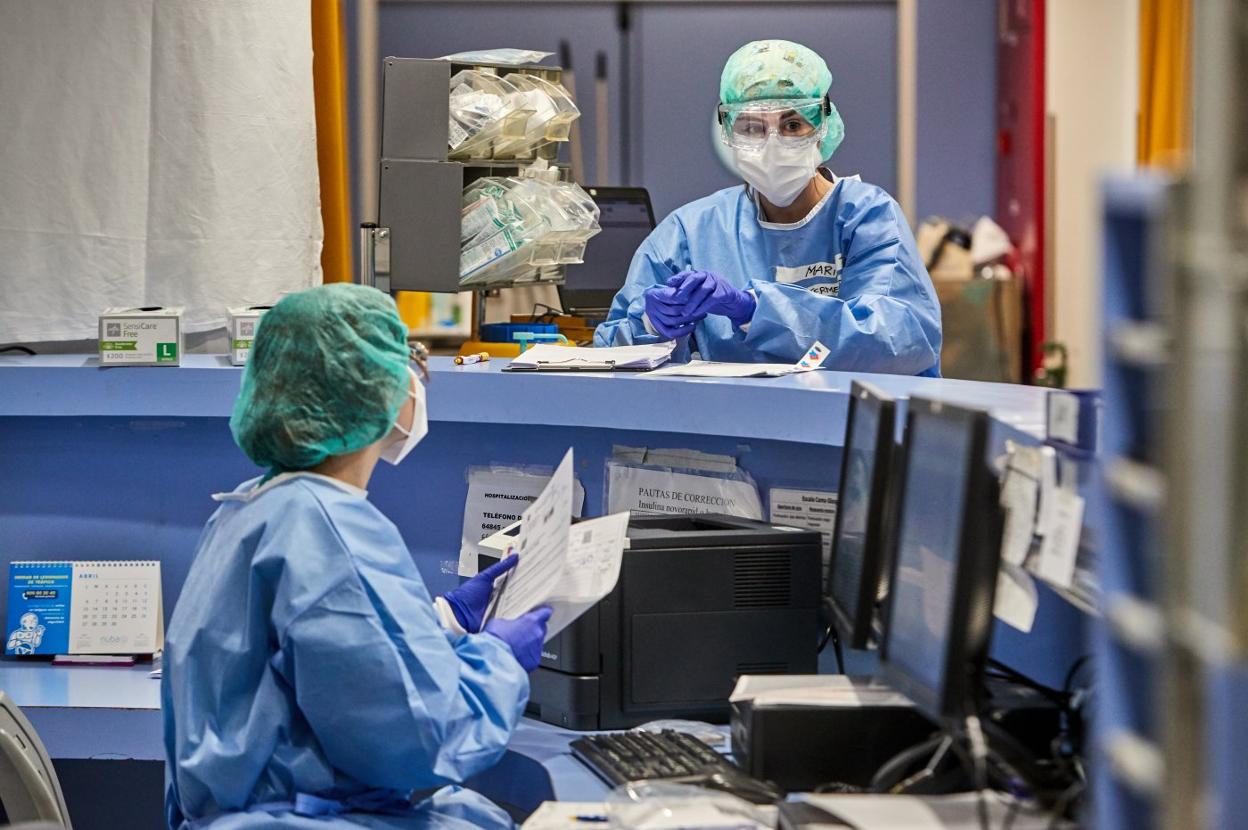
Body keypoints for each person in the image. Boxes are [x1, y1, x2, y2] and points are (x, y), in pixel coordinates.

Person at [162, 284, 551, 830]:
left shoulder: (252, 508)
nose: (415, 385)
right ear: (375, 389)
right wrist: (498, 663)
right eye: (410, 366)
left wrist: (445, 623)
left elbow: (327, 660)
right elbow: (416, 739)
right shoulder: (328, 527)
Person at [594, 40, 943, 377]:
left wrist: (756, 310)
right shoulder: (691, 231)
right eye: (752, 127)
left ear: (822, 126)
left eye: (792, 125)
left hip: (845, 430)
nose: (772, 143)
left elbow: (898, 343)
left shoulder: (867, 217)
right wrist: (651, 324)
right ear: (728, 131)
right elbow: (608, 354)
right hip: (727, 428)